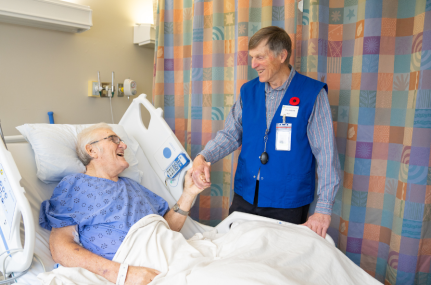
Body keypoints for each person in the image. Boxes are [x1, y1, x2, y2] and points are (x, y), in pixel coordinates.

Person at [191, 26, 341, 238]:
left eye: (260, 57)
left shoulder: (311, 94)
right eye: (252, 58)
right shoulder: (249, 91)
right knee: (234, 255)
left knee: (276, 264)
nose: (253, 65)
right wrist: (202, 157)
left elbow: (327, 155)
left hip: (288, 201)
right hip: (245, 195)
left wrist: (323, 209)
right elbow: (230, 134)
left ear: (282, 55)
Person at [39, 123, 205, 285]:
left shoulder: (133, 185)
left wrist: (188, 194)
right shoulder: (74, 186)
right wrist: (123, 274)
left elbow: (165, 230)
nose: (124, 146)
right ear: (91, 150)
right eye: (114, 140)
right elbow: (60, 248)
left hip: (174, 254)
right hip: (134, 264)